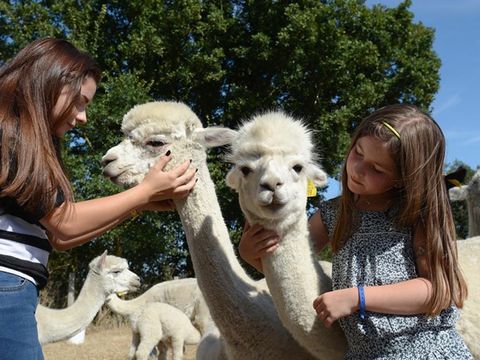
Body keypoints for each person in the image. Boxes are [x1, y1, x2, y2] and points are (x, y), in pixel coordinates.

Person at [0, 38, 196, 360]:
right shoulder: (13, 134)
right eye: (79, 101)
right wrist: (142, 192)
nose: (82, 117)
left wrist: (139, 203)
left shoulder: (18, 136)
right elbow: (64, 224)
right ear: (48, 80)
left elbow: (59, 236)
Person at [239, 104, 473, 359]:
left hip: (423, 352)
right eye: (358, 152)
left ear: (403, 178)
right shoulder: (334, 214)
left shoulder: (415, 215)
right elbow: (289, 269)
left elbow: (438, 290)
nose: (358, 169)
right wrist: (250, 253)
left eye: (377, 169)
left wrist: (358, 298)